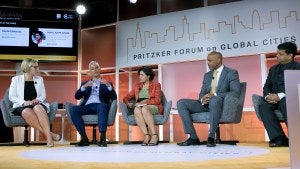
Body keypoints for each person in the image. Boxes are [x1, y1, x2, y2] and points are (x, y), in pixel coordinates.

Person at [176, 51, 241, 147]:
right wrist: (203, 99)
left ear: (218, 60)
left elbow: (235, 92)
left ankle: (211, 136)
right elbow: (201, 93)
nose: (207, 62)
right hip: (206, 105)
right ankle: (193, 138)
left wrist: (214, 95)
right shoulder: (207, 75)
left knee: (214, 100)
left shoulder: (231, 73)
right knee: (181, 103)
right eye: (207, 60)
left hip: (221, 105)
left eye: (210, 60)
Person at [8, 58, 60, 147]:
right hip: (21, 106)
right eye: (35, 67)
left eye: (38, 67)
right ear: (27, 67)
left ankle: (48, 137)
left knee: (38, 107)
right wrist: (23, 102)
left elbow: (43, 95)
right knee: (26, 111)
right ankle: (49, 136)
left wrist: (38, 100)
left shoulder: (39, 79)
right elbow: (11, 96)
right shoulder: (16, 79)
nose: (37, 69)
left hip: (36, 104)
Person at [259, 42, 300, 147]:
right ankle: (279, 138)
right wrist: (268, 96)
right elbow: (267, 86)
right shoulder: (273, 69)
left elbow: (296, 88)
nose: (277, 55)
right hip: (274, 99)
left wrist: (280, 96)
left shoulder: (297, 68)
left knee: (286, 102)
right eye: (277, 53)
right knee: (263, 106)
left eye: (280, 54)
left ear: (290, 55)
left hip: (291, 98)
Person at [70, 61, 117, 147]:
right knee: (73, 109)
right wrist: (84, 87)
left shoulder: (107, 83)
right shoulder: (85, 84)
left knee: (101, 106)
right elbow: (77, 96)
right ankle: (84, 138)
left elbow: (114, 98)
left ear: (100, 69)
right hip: (87, 107)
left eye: (96, 68)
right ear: (90, 71)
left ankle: (102, 138)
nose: (94, 70)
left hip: (100, 105)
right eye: (92, 69)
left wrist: (108, 86)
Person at [123, 66, 163, 146]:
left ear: (148, 76)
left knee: (144, 108)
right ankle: (146, 135)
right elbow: (126, 97)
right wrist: (127, 103)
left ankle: (154, 135)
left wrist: (145, 102)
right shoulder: (137, 86)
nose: (139, 77)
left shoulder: (156, 85)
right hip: (140, 107)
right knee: (136, 110)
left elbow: (158, 100)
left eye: (142, 75)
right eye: (139, 75)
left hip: (153, 106)